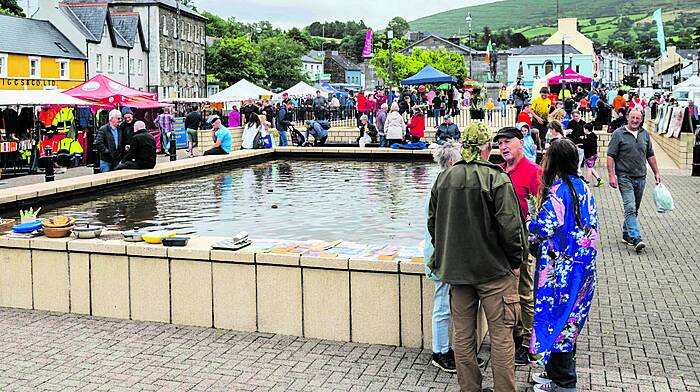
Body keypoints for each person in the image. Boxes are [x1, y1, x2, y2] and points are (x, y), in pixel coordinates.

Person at [428, 121, 526, 392]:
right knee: (502, 336)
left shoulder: (444, 178)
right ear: (487, 148)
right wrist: (515, 262)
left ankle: (469, 388)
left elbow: (433, 224)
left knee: (462, 336)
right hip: (494, 271)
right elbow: (511, 227)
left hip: (458, 273)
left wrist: (446, 257)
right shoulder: (497, 178)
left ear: (463, 147)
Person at [528, 138, 598, 392]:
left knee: (557, 321)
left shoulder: (559, 191)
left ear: (553, 161)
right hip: (582, 269)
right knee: (571, 319)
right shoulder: (582, 187)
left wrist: (526, 220)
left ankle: (565, 382)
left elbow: (543, 226)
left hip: (560, 271)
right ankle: (556, 374)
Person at [495, 126, 542, 368]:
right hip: (499, 242)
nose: (503, 147)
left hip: (522, 240)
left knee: (524, 291)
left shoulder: (533, 172)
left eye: (508, 142)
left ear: (520, 143)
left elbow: (542, 210)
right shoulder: (499, 172)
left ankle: (526, 342)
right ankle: (511, 336)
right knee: (505, 292)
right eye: (500, 143)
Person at [424, 140, 462, 374]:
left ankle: (446, 350)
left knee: (446, 304)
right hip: (440, 255)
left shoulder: (440, 184)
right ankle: (440, 352)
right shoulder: (442, 186)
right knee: (442, 305)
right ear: (450, 162)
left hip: (443, 253)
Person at [606, 108, 661, 253]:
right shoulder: (618, 134)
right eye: (633, 117)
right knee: (630, 206)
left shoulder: (645, 134)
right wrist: (611, 175)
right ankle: (636, 238)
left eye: (638, 118)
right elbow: (610, 155)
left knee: (634, 208)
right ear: (627, 118)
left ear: (641, 119)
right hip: (624, 177)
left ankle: (626, 233)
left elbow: (650, 155)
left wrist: (657, 172)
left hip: (641, 176)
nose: (635, 120)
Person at [566, 110, 586, 175]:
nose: (575, 118)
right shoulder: (570, 123)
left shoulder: (583, 123)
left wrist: (583, 136)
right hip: (572, 143)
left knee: (580, 160)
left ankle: (578, 173)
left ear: (579, 115)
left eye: (577, 116)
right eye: (574, 116)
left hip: (580, 143)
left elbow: (587, 133)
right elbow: (567, 134)